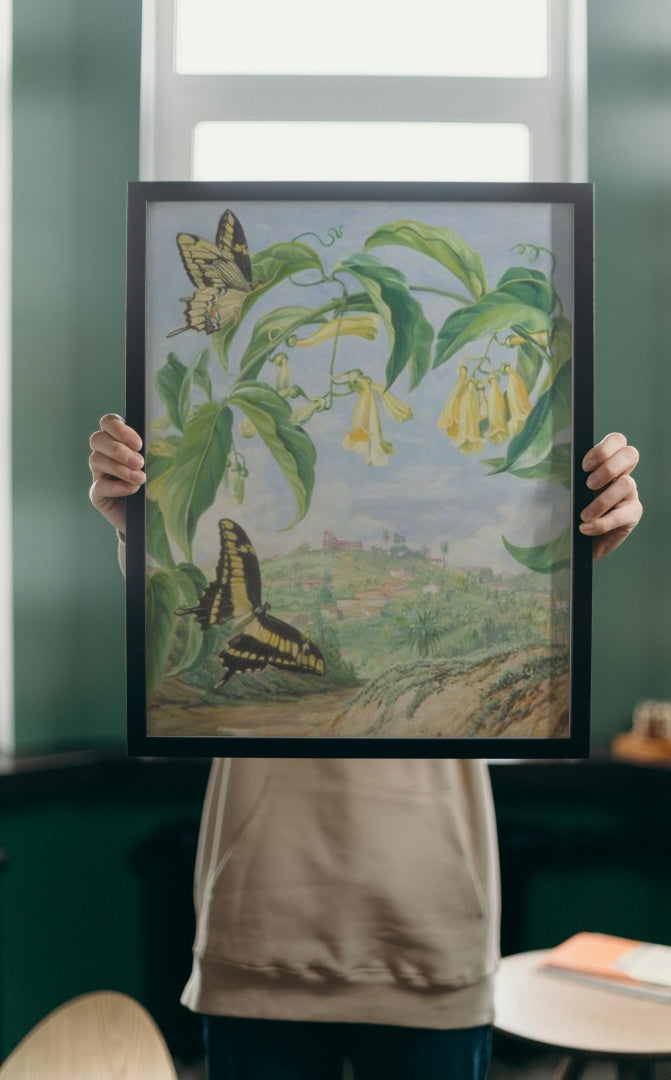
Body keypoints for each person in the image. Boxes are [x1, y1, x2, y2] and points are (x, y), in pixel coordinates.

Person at [89, 417, 642, 1080]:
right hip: (262, 928)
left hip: (432, 931)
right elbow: (176, 641)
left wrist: (570, 562)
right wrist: (136, 523)